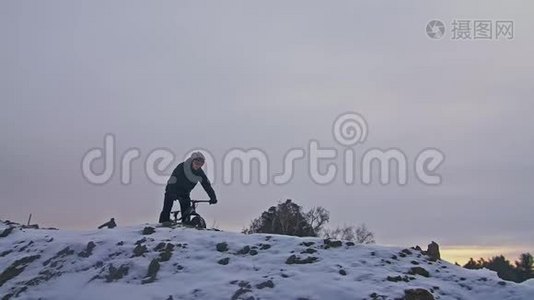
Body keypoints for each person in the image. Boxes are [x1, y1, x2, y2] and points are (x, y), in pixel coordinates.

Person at [158, 152, 217, 224]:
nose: (198, 166)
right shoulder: (182, 167)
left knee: (186, 213)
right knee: (167, 208)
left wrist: (213, 197)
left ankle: (185, 226)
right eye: (196, 163)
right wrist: (172, 192)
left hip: (185, 193)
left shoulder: (200, 173)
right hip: (172, 190)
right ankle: (163, 223)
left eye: (201, 164)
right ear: (192, 161)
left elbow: (207, 186)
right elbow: (172, 180)